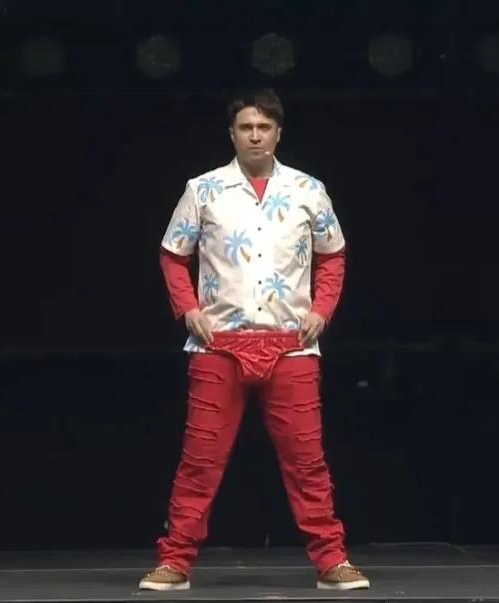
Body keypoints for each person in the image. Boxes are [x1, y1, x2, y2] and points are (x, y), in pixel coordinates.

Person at [139, 89, 369, 592]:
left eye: (264, 127)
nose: (256, 136)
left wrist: (322, 310)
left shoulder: (308, 190)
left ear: (279, 133)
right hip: (218, 344)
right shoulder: (204, 189)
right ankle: (174, 560)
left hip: (292, 345)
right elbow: (173, 254)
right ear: (232, 134)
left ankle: (332, 559)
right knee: (200, 460)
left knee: (307, 460)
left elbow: (333, 255)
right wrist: (188, 309)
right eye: (246, 127)